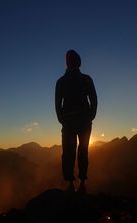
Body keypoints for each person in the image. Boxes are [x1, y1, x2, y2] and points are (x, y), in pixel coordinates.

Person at [55, 49, 98, 192]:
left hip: (68, 122)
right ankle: (82, 183)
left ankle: (70, 183)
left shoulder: (61, 82)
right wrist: (90, 115)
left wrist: (62, 119)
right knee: (83, 151)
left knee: (68, 152)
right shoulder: (86, 79)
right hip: (84, 121)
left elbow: (57, 103)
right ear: (79, 63)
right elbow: (94, 100)